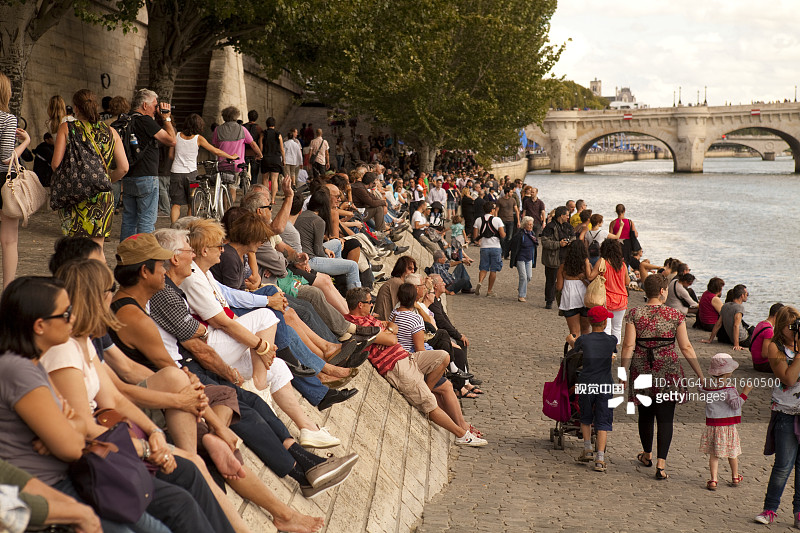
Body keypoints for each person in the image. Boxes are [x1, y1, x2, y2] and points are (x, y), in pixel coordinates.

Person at [0, 276, 169, 533]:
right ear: (39, 326)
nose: (73, 318)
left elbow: (74, 427)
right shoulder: (19, 370)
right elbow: (71, 447)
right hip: (50, 485)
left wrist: (70, 425)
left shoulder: (31, 362)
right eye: (65, 314)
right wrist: (72, 426)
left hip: (67, 476)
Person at [345, 287, 487, 446]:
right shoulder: (357, 324)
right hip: (396, 366)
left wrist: (387, 331)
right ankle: (462, 435)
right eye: (369, 302)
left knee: (443, 357)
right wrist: (387, 332)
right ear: (359, 305)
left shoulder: (369, 319)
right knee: (430, 403)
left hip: (407, 356)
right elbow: (392, 339)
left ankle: (425, 389)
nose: (372, 305)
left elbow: (392, 328)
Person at [620, 274, 705, 481]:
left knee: (646, 414)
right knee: (666, 417)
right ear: (661, 291)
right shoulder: (675, 315)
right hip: (668, 370)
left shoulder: (634, 313)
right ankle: (661, 464)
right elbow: (685, 346)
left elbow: (629, 345)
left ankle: (647, 455)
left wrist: (623, 371)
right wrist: (700, 374)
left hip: (641, 368)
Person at [755, 306, 800, 525]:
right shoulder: (775, 347)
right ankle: (770, 509)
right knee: (783, 465)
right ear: (781, 327)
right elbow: (789, 379)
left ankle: (799, 512)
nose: (795, 331)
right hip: (786, 411)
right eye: (791, 327)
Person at [120, 88, 176, 240]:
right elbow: (172, 140)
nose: (156, 109)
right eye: (155, 105)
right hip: (147, 176)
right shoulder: (145, 121)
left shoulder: (125, 119)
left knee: (129, 219)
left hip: (128, 174)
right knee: (146, 219)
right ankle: (143, 256)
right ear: (145, 105)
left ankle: (126, 254)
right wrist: (166, 118)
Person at [567, 306, 617, 473]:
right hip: (605, 384)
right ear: (605, 322)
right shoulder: (612, 340)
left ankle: (587, 448)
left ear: (589, 321)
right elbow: (611, 355)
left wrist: (570, 340)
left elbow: (575, 348)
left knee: (586, 417)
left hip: (587, 382)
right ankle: (600, 458)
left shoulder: (584, 340)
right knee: (603, 420)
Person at [169, 113, 237, 222]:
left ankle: (173, 227)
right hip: (192, 175)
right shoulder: (198, 138)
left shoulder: (176, 136)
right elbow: (215, 151)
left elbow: (171, 155)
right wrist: (231, 156)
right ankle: (189, 227)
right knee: (192, 203)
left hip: (176, 173)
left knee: (176, 204)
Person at [700, 353, 752, 492]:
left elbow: (701, 390)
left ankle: (713, 480)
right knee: (732, 452)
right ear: (728, 372)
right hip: (727, 426)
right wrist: (745, 392)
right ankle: (735, 476)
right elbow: (736, 405)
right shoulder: (729, 389)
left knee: (714, 454)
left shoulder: (707, 387)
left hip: (713, 425)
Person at [0, 72, 32, 289]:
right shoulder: (8, 119)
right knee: (9, 239)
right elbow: (6, 156)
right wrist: (26, 141)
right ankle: (8, 290)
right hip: (3, 180)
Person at [212, 106, 262, 204]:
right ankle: (228, 209)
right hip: (236, 165)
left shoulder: (217, 130)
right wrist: (260, 154)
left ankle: (222, 208)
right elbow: (253, 144)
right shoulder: (242, 129)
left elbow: (215, 146)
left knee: (224, 187)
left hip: (222, 164)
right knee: (232, 187)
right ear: (236, 116)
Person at [557, 240, 596, 337]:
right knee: (585, 329)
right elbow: (591, 282)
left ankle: (575, 351)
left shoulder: (563, 267)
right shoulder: (586, 265)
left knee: (574, 332)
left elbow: (559, 287)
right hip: (585, 299)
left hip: (569, 300)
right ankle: (585, 351)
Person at [540, 206, 573, 309]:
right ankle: (549, 301)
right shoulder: (550, 227)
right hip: (552, 258)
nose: (568, 217)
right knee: (551, 280)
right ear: (561, 215)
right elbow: (545, 242)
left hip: (565, 257)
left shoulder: (568, 226)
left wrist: (569, 242)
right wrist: (559, 244)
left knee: (566, 281)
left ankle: (563, 301)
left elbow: (573, 238)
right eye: (567, 215)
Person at [472, 201, 505, 297]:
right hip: (495, 247)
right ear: (492, 210)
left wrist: (478, 240)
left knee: (483, 267)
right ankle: (489, 290)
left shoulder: (478, 220)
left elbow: (475, 237)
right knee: (493, 270)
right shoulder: (497, 220)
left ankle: (480, 282)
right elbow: (502, 235)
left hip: (484, 247)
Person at [704, 284, 752, 350]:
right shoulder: (739, 308)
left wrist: (710, 339)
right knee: (755, 331)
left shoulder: (725, 306)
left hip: (731, 338)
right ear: (742, 295)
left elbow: (718, 323)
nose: (747, 296)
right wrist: (736, 344)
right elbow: (736, 326)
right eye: (747, 294)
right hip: (743, 339)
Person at [600, 239, 629, 344]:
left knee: (606, 327)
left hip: (606, 299)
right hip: (621, 299)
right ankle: (614, 351)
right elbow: (627, 282)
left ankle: (607, 351)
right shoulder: (623, 265)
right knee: (617, 327)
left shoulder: (604, 263)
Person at [510, 215, 538, 302]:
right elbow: (513, 245)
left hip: (529, 258)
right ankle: (521, 295)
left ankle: (521, 287)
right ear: (524, 225)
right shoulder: (520, 234)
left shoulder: (532, 234)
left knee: (529, 276)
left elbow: (535, 246)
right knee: (523, 277)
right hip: (521, 258)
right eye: (529, 224)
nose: (531, 226)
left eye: (531, 224)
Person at [751, 303, 784, 372]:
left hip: (756, 362)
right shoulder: (769, 330)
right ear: (777, 315)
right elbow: (765, 354)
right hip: (762, 364)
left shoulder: (761, 323)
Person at [260, 117, 284, 204]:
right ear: (274, 124)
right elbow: (282, 149)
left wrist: (260, 156)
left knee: (265, 179)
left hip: (266, 158)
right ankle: (273, 199)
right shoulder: (278, 134)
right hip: (276, 158)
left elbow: (261, 147)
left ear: (267, 124)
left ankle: (266, 198)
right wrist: (283, 159)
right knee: (274, 180)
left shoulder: (263, 134)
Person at [496, 186, 520, 259]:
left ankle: (506, 254)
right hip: (502, 220)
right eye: (511, 192)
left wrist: (518, 221)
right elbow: (496, 210)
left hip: (511, 220)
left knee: (509, 238)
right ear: (507, 193)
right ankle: (502, 253)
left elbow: (516, 211)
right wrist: (496, 220)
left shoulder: (513, 200)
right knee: (502, 237)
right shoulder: (500, 200)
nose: (512, 193)